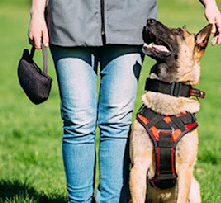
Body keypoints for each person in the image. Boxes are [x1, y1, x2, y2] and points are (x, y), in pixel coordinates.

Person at [28, 0, 221, 202]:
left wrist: (210, 3)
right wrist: (37, 11)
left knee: (117, 123)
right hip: (70, 18)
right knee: (77, 122)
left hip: (129, 21)